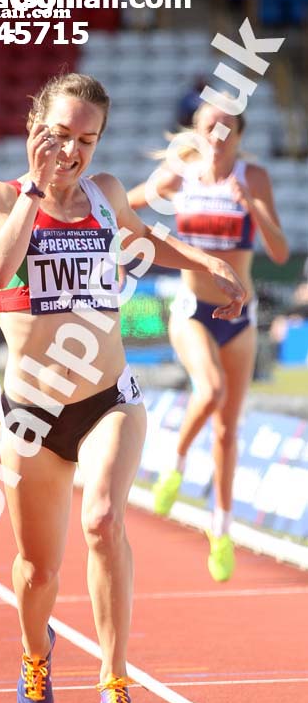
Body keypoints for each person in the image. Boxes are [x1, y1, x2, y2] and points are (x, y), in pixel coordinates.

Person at [0, 73, 245, 703]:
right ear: (34, 129)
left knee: (100, 520)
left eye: (86, 141)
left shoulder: (105, 195)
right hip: (32, 414)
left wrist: (208, 267)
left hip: (105, 399)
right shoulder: (0, 197)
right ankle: (37, 655)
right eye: (60, 137)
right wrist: (36, 193)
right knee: (37, 571)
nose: (72, 154)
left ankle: (114, 682)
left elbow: (144, 243)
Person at [128, 101, 289, 582]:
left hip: (240, 317)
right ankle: (173, 464)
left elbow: (279, 252)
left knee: (226, 431)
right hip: (192, 311)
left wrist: (252, 204)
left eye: (226, 128)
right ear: (194, 133)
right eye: (207, 127)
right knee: (210, 391)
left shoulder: (253, 176)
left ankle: (220, 531)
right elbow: (123, 204)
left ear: (239, 134)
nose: (216, 136)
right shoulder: (181, 176)